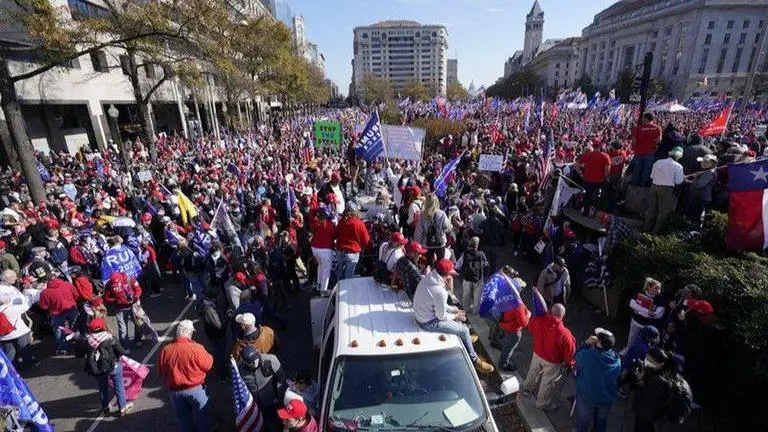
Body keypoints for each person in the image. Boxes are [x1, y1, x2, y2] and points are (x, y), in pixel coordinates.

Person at [412, 258, 494, 374]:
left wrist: (454, 310)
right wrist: (455, 316)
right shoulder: (440, 291)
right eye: (451, 274)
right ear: (446, 275)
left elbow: (437, 304)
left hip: (422, 315)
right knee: (464, 329)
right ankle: (476, 361)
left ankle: (465, 339)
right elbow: (440, 317)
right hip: (427, 323)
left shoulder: (429, 278)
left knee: (457, 314)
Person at [523, 288, 576, 412]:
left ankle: (527, 388)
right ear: (562, 316)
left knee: (533, 371)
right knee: (547, 382)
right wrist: (570, 364)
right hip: (553, 362)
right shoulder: (566, 334)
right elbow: (570, 353)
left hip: (537, 353)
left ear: (551, 311)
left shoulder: (539, 320)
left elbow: (530, 328)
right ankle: (542, 403)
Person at [157, 320, 213, 432]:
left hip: (175, 392)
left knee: (184, 422)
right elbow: (208, 365)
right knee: (202, 418)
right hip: (196, 390)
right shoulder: (196, 348)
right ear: (189, 333)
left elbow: (160, 371)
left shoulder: (165, 350)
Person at [573, 328, 621, 432]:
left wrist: (586, 343)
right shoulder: (617, 360)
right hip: (606, 398)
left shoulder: (588, 356)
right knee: (601, 422)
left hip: (587, 396)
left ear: (599, 343)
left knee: (583, 420)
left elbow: (576, 356)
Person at [84, 317, 134, 417]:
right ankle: (122, 408)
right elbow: (122, 351)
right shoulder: (110, 337)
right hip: (113, 366)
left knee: (102, 388)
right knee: (119, 386)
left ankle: (105, 408)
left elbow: (79, 353)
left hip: (97, 369)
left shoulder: (88, 340)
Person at [239, 345, 287, 431]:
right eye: (251, 362)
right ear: (244, 361)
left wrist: (280, 398)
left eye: (256, 360)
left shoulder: (271, 360)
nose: (255, 364)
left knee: (277, 423)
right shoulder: (240, 370)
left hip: (273, 401)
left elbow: (281, 379)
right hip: (256, 405)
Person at [633, 348, 682, 432]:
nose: (646, 362)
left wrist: (640, 380)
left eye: (650, 361)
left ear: (661, 364)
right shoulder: (661, 370)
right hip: (652, 413)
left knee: (642, 427)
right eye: (646, 358)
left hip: (647, 413)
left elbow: (647, 397)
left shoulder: (660, 382)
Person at [496, 267, 530, 372]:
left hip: (502, 324)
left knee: (504, 342)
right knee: (508, 348)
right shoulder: (518, 304)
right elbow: (523, 322)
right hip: (512, 330)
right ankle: (504, 364)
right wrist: (528, 314)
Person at [38, 267, 79, 354]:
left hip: (56, 313)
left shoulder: (45, 292)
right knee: (76, 326)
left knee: (59, 330)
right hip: (71, 308)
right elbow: (76, 295)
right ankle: (79, 343)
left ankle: (63, 348)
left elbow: (43, 306)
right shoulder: (67, 284)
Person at [644, 146, 685, 233]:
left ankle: (646, 228)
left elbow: (652, 176)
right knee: (663, 212)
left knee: (651, 209)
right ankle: (655, 232)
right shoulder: (678, 167)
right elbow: (678, 181)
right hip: (667, 189)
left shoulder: (658, 162)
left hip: (654, 186)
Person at [622, 277, 666, 354]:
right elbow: (632, 304)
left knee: (645, 342)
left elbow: (659, 314)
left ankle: (639, 355)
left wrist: (640, 311)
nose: (658, 291)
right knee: (632, 338)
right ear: (649, 287)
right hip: (636, 322)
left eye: (659, 289)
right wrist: (646, 312)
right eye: (656, 288)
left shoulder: (660, 298)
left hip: (648, 326)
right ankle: (628, 350)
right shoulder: (640, 293)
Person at [0, 269, 34, 366]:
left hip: (6, 328)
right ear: (7, 278)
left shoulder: (11, 287)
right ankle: (28, 363)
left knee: (9, 351)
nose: (16, 278)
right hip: (13, 325)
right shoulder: (6, 290)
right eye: (14, 277)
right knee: (23, 345)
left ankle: (12, 369)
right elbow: (23, 304)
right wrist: (29, 299)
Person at [103, 272, 143, 351]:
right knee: (122, 329)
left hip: (133, 306)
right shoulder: (109, 285)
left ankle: (138, 340)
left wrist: (135, 296)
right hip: (120, 308)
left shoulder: (130, 279)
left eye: (118, 283)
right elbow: (107, 298)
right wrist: (115, 300)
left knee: (138, 323)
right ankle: (125, 347)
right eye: (114, 284)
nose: (116, 285)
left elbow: (138, 289)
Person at [414, 193, 453, 264]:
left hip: (427, 243)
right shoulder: (442, 214)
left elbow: (418, 232)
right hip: (440, 242)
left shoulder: (423, 215)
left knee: (428, 264)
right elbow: (448, 228)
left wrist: (417, 244)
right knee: (440, 263)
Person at [334, 207, 371, 281]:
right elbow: (366, 240)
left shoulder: (342, 221)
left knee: (339, 274)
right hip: (352, 253)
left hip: (340, 251)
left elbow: (336, 234)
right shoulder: (359, 223)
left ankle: (338, 288)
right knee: (348, 277)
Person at [455, 236, 489, 313]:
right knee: (477, 297)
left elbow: (457, 266)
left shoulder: (465, 254)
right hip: (478, 279)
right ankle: (475, 312)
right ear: (477, 245)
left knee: (466, 295)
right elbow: (486, 266)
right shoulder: (481, 254)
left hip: (467, 278)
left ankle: (465, 310)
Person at [575, 145, 611, 215]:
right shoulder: (605, 156)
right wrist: (605, 177)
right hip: (599, 181)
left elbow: (577, 164)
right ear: (600, 147)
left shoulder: (587, 155)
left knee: (587, 197)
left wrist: (580, 174)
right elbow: (607, 170)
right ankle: (595, 213)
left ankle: (586, 212)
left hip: (587, 180)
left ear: (593, 147)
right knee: (597, 197)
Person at [685, 154, 718, 228]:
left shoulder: (709, 173)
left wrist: (695, 178)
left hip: (702, 197)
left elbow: (699, 185)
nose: (703, 163)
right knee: (695, 215)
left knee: (698, 217)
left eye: (706, 162)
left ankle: (696, 231)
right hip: (699, 196)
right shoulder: (708, 171)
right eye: (703, 161)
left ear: (712, 163)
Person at [631, 112, 663, 186]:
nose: (642, 119)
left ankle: (634, 184)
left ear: (646, 118)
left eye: (643, 117)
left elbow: (634, 142)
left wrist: (635, 147)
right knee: (647, 170)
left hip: (639, 152)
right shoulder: (657, 128)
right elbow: (659, 141)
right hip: (650, 152)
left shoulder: (638, 128)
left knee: (637, 169)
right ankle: (643, 184)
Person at [309, 205, 336, 292]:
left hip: (315, 248)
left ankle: (319, 284)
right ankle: (323, 290)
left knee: (320, 266)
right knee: (326, 270)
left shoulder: (316, 222)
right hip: (325, 250)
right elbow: (335, 235)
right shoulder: (329, 224)